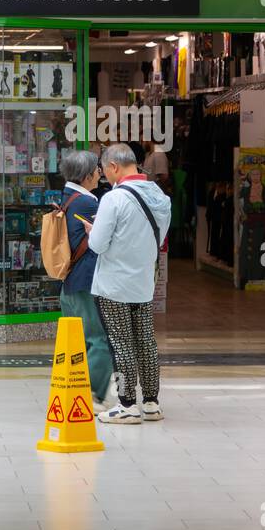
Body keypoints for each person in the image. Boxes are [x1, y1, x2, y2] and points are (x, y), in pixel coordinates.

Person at [80, 143, 172, 424]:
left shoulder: (113, 199)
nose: (105, 176)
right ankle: (152, 403)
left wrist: (92, 229)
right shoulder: (160, 196)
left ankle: (127, 403)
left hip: (114, 284)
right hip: (143, 281)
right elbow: (158, 239)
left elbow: (97, 245)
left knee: (120, 344)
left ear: (114, 167)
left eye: (105, 170)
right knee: (145, 341)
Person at [57, 149, 117, 410]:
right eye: (97, 170)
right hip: (86, 281)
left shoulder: (67, 197)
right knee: (99, 339)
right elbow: (100, 242)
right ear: (87, 174)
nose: (99, 174)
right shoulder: (87, 203)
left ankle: (73, 389)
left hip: (70, 281)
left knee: (76, 341)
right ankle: (91, 396)